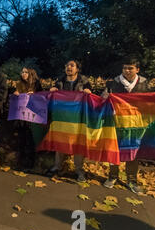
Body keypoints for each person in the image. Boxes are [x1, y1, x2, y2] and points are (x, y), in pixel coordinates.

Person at [101, 58, 151, 194]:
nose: (127, 71)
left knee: (133, 151)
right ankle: (112, 177)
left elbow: (149, 103)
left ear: (137, 70)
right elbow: (103, 98)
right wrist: (106, 97)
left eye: (130, 68)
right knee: (114, 149)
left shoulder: (144, 84)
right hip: (116, 122)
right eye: (124, 68)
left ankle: (132, 180)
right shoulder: (113, 83)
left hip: (136, 125)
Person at [47, 60, 92, 182]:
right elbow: (53, 94)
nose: (69, 67)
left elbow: (91, 97)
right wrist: (53, 90)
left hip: (78, 119)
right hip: (62, 117)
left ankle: (79, 170)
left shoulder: (84, 82)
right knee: (60, 141)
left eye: (72, 65)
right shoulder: (60, 81)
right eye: (67, 65)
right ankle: (57, 166)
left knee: (78, 143)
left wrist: (88, 92)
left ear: (77, 69)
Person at [13, 68, 43, 171]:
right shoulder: (19, 84)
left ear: (31, 73)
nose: (23, 74)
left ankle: (32, 163)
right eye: (22, 72)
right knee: (22, 139)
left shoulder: (36, 84)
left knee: (31, 140)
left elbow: (42, 98)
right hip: (21, 117)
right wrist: (16, 95)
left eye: (26, 72)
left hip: (32, 117)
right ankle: (20, 163)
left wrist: (34, 95)